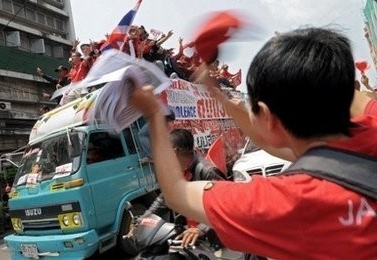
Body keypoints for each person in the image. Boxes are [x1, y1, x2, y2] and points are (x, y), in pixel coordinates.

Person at [130, 27, 377, 258]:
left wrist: (154, 116)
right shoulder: (372, 121)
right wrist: (303, 64)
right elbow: (342, 92)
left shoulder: (287, 201)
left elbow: (176, 193)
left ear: (268, 117)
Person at [133, 128, 226, 250]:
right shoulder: (175, 172)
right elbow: (165, 198)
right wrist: (143, 220)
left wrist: (200, 229)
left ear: (174, 152)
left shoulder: (207, 171)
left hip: (212, 239)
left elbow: (225, 208)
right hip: (188, 236)